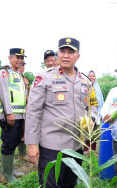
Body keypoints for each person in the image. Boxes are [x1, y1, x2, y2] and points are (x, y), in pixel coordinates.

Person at [25, 37, 98, 187]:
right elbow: (33, 111)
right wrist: (31, 143)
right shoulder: (44, 78)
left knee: (69, 184)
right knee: (50, 184)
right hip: (52, 147)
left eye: (70, 52)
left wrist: (91, 118)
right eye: (62, 51)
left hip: (76, 146)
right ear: (57, 54)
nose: (66, 55)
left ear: (78, 56)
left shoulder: (85, 81)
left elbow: (93, 106)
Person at [0, 48, 26, 182]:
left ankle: (10, 170)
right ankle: (5, 175)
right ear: (10, 58)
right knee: (8, 143)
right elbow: (4, 94)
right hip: (9, 116)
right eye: (17, 57)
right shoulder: (4, 73)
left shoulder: (18, 74)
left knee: (14, 142)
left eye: (22, 58)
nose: (20, 60)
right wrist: (9, 113)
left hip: (19, 115)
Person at [84, 70, 104, 153]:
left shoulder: (98, 88)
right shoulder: (86, 86)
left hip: (97, 113)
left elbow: (101, 101)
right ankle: (86, 150)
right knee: (87, 131)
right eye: (90, 76)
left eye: (93, 76)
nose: (92, 77)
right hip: (88, 113)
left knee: (95, 132)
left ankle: (92, 150)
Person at [17, 61, 30, 162]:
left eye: (23, 66)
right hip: (15, 109)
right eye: (20, 66)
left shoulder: (25, 79)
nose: (21, 68)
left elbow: (28, 92)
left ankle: (22, 154)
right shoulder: (12, 77)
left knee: (24, 131)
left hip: (25, 108)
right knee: (15, 132)